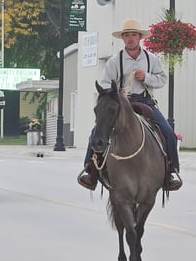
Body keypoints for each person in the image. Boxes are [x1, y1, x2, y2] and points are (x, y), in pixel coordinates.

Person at [77, 18, 182, 192]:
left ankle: (170, 171)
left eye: (134, 35)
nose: (130, 39)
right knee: (97, 131)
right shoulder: (114, 61)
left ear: (140, 37)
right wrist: (116, 93)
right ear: (123, 38)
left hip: (144, 101)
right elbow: (104, 84)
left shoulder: (151, 59)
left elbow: (162, 79)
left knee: (169, 133)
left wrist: (146, 77)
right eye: (127, 35)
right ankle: (91, 170)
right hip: (120, 103)